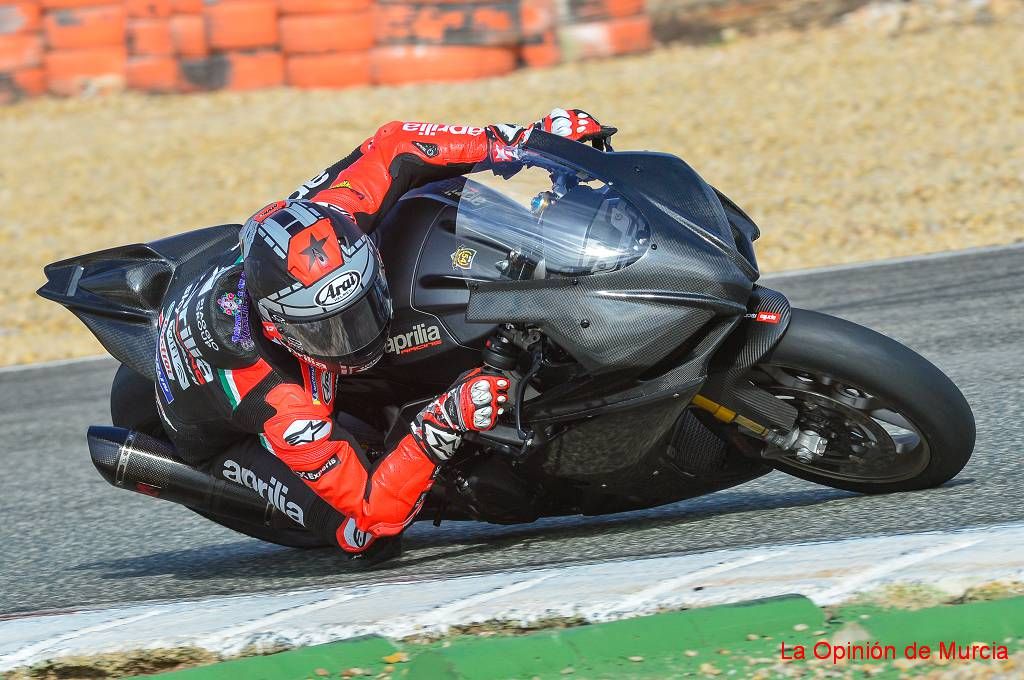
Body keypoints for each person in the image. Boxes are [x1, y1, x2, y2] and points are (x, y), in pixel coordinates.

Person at [119, 108, 613, 561]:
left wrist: (524, 141)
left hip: (227, 268)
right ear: (278, 325)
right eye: (328, 330)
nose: (355, 338)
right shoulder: (278, 400)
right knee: (364, 538)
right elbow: (372, 511)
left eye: (358, 311)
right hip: (217, 432)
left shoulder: (333, 213)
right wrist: (444, 421)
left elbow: (397, 145)